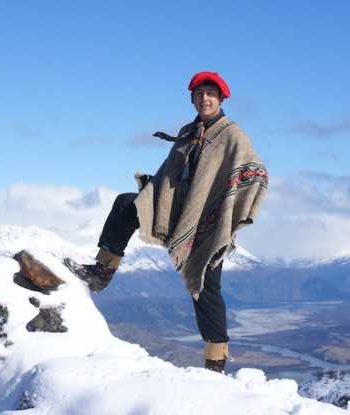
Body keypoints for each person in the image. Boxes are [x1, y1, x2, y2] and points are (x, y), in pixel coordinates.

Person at [64, 71, 268, 373]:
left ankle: (215, 361)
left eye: (210, 93)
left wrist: (232, 204)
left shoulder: (232, 134)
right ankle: (102, 271)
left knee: (205, 288)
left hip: (210, 222)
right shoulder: (189, 131)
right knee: (125, 204)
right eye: (199, 94)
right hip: (176, 211)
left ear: (221, 98)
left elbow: (257, 173)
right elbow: (172, 173)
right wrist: (153, 192)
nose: (204, 98)